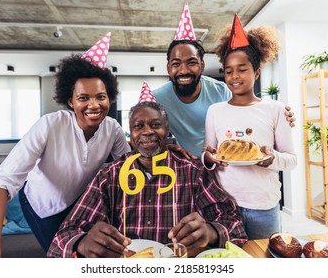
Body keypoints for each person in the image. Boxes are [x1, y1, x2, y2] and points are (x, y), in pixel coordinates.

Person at [0, 33, 131, 257]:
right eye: (83, 98)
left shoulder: (113, 129)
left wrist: (165, 153)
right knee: (60, 256)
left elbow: (131, 168)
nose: (94, 105)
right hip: (42, 205)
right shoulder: (49, 125)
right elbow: (1, 183)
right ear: (70, 101)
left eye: (101, 97)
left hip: (79, 202)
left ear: (110, 98)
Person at [47, 101, 247, 258]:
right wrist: (82, 243)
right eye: (138, 126)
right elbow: (61, 239)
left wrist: (210, 232)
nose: (147, 131)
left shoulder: (192, 172)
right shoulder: (110, 176)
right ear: (131, 135)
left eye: (155, 125)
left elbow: (235, 225)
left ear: (167, 130)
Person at [152, 3, 295, 158]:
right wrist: (170, 147)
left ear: (202, 65)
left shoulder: (221, 91)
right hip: (187, 165)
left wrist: (277, 116)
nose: (184, 70)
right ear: (168, 68)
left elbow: (246, 112)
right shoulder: (157, 99)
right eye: (176, 63)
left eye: (191, 62)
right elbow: (142, 132)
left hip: (224, 162)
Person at [202, 14, 297, 240]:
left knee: (264, 261)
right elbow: (207, 155)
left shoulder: (277, 109)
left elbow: (291, 160)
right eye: (228, 70)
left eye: (242, 69)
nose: (234, 76)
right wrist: (209, 158)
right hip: (224, 205)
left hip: (263, 208)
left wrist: (270, 158)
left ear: (256, 72)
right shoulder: (215, 111)